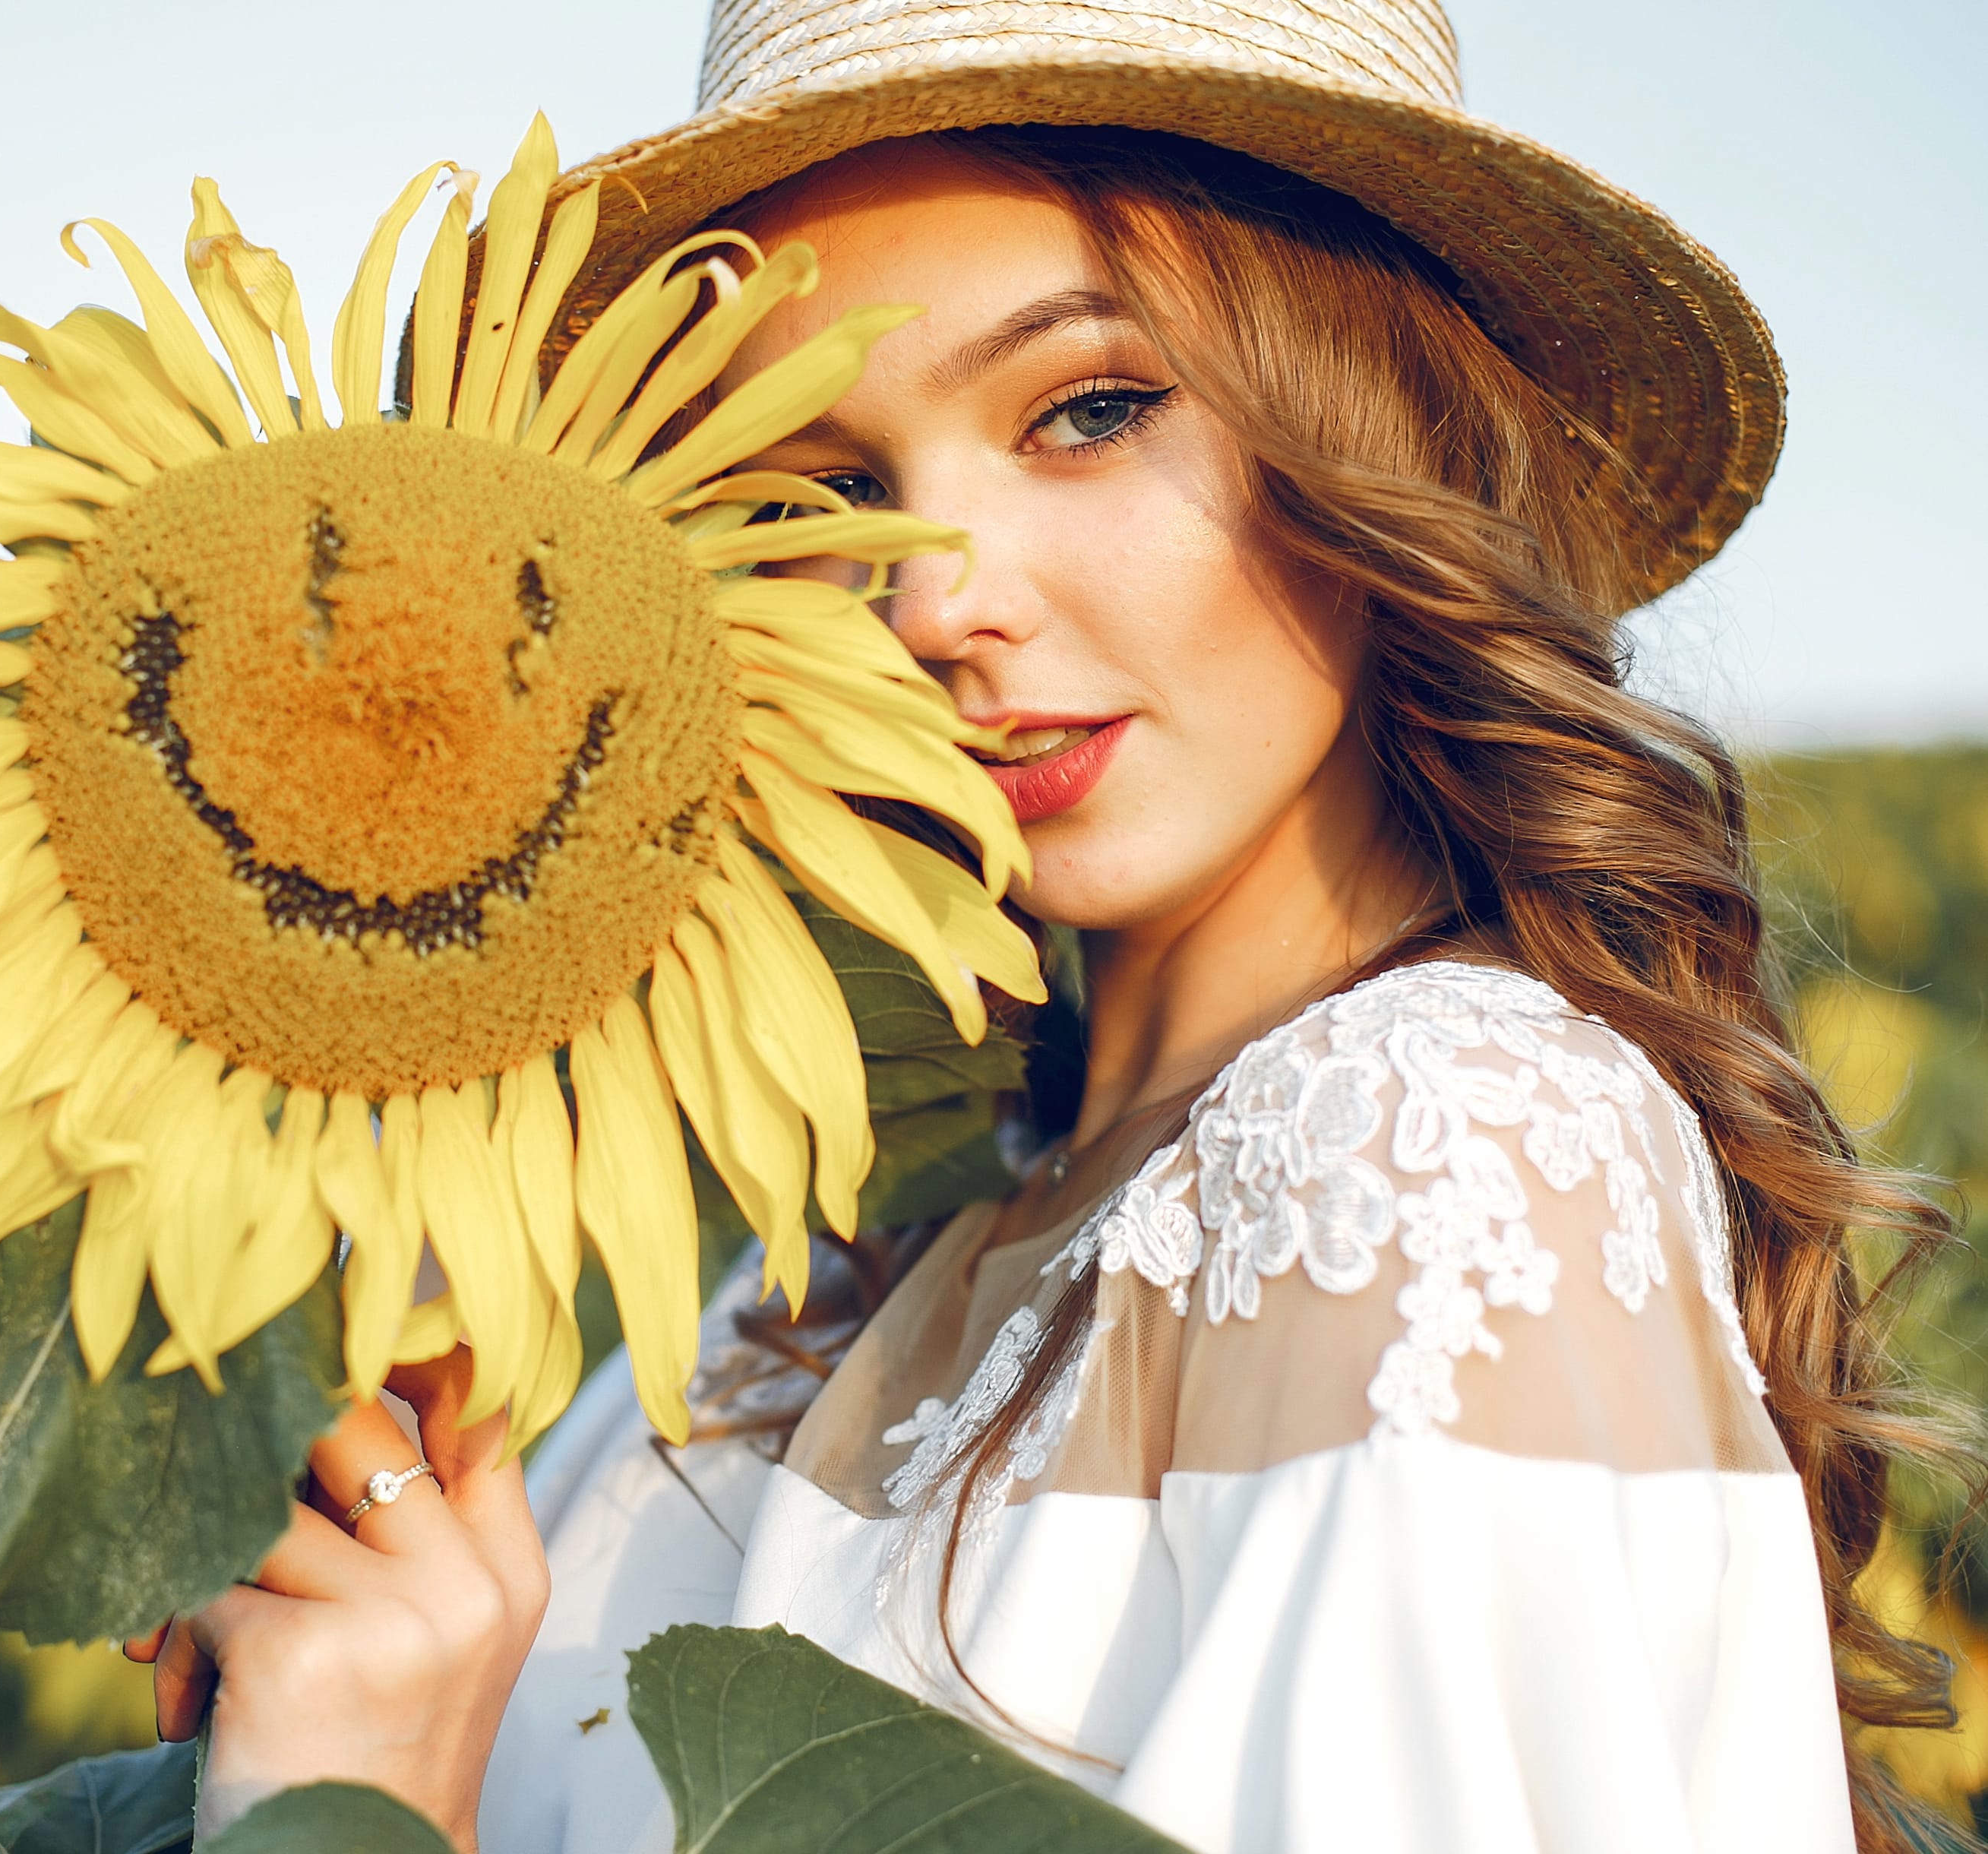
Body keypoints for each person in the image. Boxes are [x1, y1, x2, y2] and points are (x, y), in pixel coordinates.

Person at [125, 2, 1973, 1848]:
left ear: (1378, 420)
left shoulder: (1426, 1150)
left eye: (1088, 408)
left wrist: (354, 1811)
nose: (932, 598)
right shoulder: (799, 1279)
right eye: (827, 490)